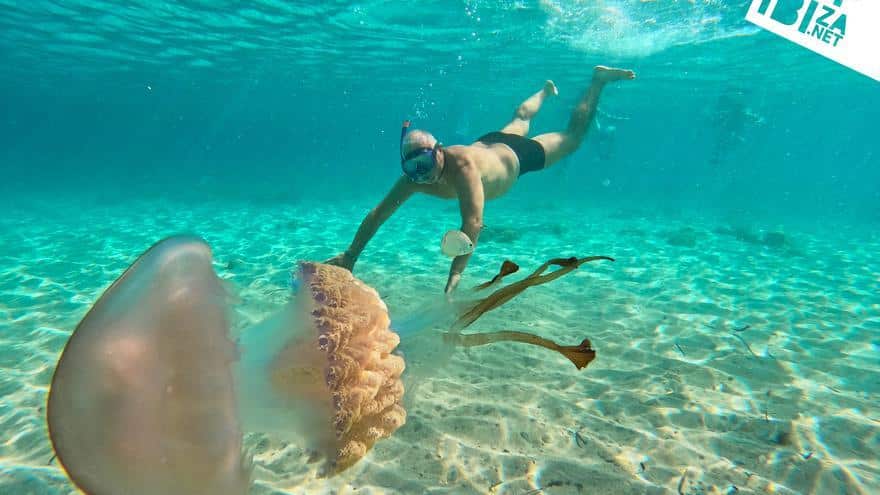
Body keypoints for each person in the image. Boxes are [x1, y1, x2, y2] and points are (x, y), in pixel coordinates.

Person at [326, 65, 636, 294]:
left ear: (439, 149)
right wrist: (350, 255)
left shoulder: (462, 168)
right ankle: (544, 91)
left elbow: (472, 223)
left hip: (518, 157)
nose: (424, 175)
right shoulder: (415, 178)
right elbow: (378, 214)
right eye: (413, 168)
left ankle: (598, 80)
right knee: (521, 119)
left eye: (426, 163)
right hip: (490, 143)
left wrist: (454, 279)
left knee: (573, 138)